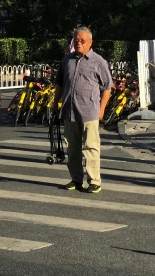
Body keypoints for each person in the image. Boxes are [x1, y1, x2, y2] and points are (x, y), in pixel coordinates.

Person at [54, 26, 113, 194]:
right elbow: (59, 83)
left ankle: (94, 181)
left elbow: (107, 88)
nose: (78, 44)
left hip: (90, 111)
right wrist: (54, 104)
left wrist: (101, 110)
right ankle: (76, 179)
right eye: (76, 40)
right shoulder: (67, 60)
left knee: (91, 147)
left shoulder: (98, 61)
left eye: (82, 41)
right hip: (69, 110)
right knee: (72, 147)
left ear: (90, 42)